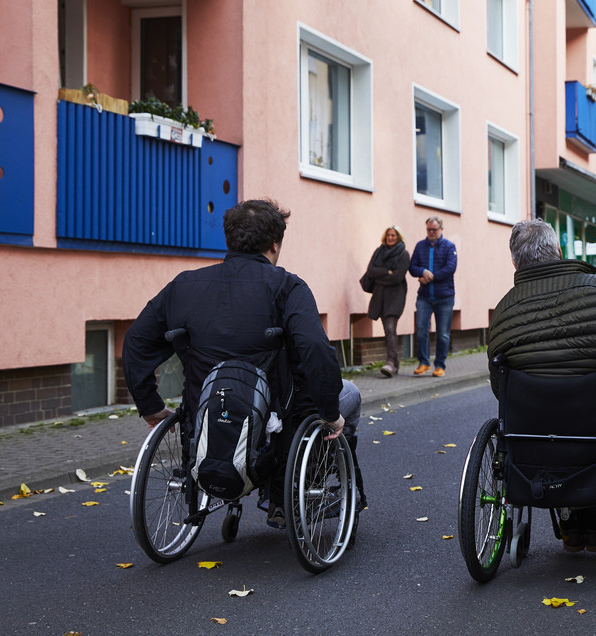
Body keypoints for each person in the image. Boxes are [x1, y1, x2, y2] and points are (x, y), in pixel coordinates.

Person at [122, 199, 363, 528]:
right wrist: (329, 411)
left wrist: (150, 405)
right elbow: (315, 349)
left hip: (205, 416)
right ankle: (300, 488)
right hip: (277, 423)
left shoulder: (184, 286)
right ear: (275, 244)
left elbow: (136, 341)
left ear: (230, 239)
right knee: (349, 396)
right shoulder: (286, 286)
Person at [486, 219, 596, 552]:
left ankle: (570, 523)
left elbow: (501, 387)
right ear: (560, 251)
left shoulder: (504, 310)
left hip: (531, 438)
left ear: (514, 263)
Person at [408, 215, 457, 377]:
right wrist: (422, 272)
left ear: (441, 229)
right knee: (421, 329)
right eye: (428, 229)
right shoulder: (420, 246)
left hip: (445, 297)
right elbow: (412, 266)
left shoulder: (450, 247)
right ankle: (424, 363)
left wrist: (430, 276)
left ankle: (440, 365)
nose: (431, 232)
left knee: (443, 333)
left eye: (434, 229)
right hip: (424, 297)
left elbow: (450, 268)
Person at [363, 226, 410, 377]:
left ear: (398, 237)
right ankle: (394, 364)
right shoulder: (379, 251)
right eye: (388, 235)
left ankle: (390, 362)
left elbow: (398, 276)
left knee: (390, 327)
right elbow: (370, 270)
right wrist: (386, 272)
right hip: (380, 296)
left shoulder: (403, 254)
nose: (390, 237)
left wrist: (380, 275)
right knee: (387, 330)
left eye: (393, 235)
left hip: (396, 296)